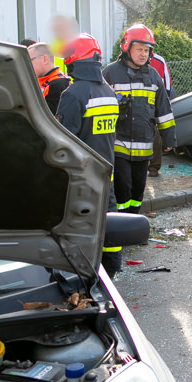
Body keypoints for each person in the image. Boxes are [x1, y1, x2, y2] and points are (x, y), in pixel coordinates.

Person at [55, 34, 123, 277]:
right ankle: (112, 267)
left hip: (81, 177)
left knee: (81, 226)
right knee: (108, 220)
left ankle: (84, 272)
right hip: (106, 172)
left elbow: (63, 140)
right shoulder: (107, 91)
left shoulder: (73, 94)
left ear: (73, 60)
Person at [103, 23, 177, 213]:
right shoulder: (110, 73)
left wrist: (169, 138)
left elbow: (163, 110)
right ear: (126, 47)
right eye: (139, 49)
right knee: (122, 187)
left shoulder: (153, 76)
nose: (143, 54)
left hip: (144, 147)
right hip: (119, 144)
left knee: (137, 189)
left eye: (146, 50)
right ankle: (121, 220)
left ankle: (133, 218)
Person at [146, 52, 174, 177]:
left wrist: (163, 104)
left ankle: (154, 167)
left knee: (156, 137)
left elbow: (167, 87)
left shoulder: (159, 61)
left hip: (155, 105)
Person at [27, 42, 70, 114]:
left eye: (30, 60)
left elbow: (45, 117)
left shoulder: (58, 84)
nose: (27, 64)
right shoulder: (40, 80)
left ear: (44, 59)